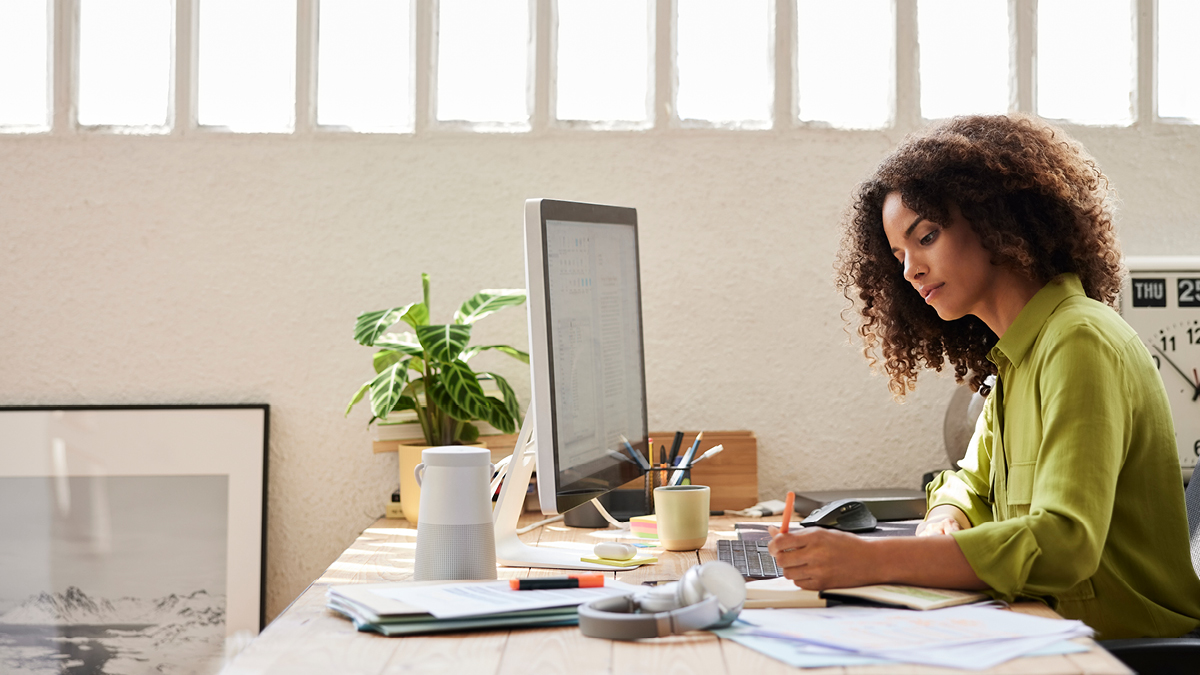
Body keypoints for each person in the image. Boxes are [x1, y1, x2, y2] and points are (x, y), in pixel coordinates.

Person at [767, 114, 1200, 639]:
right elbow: (967, 482)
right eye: (899, 255)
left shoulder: (1079, 342)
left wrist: (873, 561)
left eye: (925, 236)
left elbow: (1065, 544)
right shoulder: (1018, 358)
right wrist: (946, 518)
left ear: (995, 220)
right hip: (1043, 633)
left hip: (1119, 652)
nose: (909, 271)